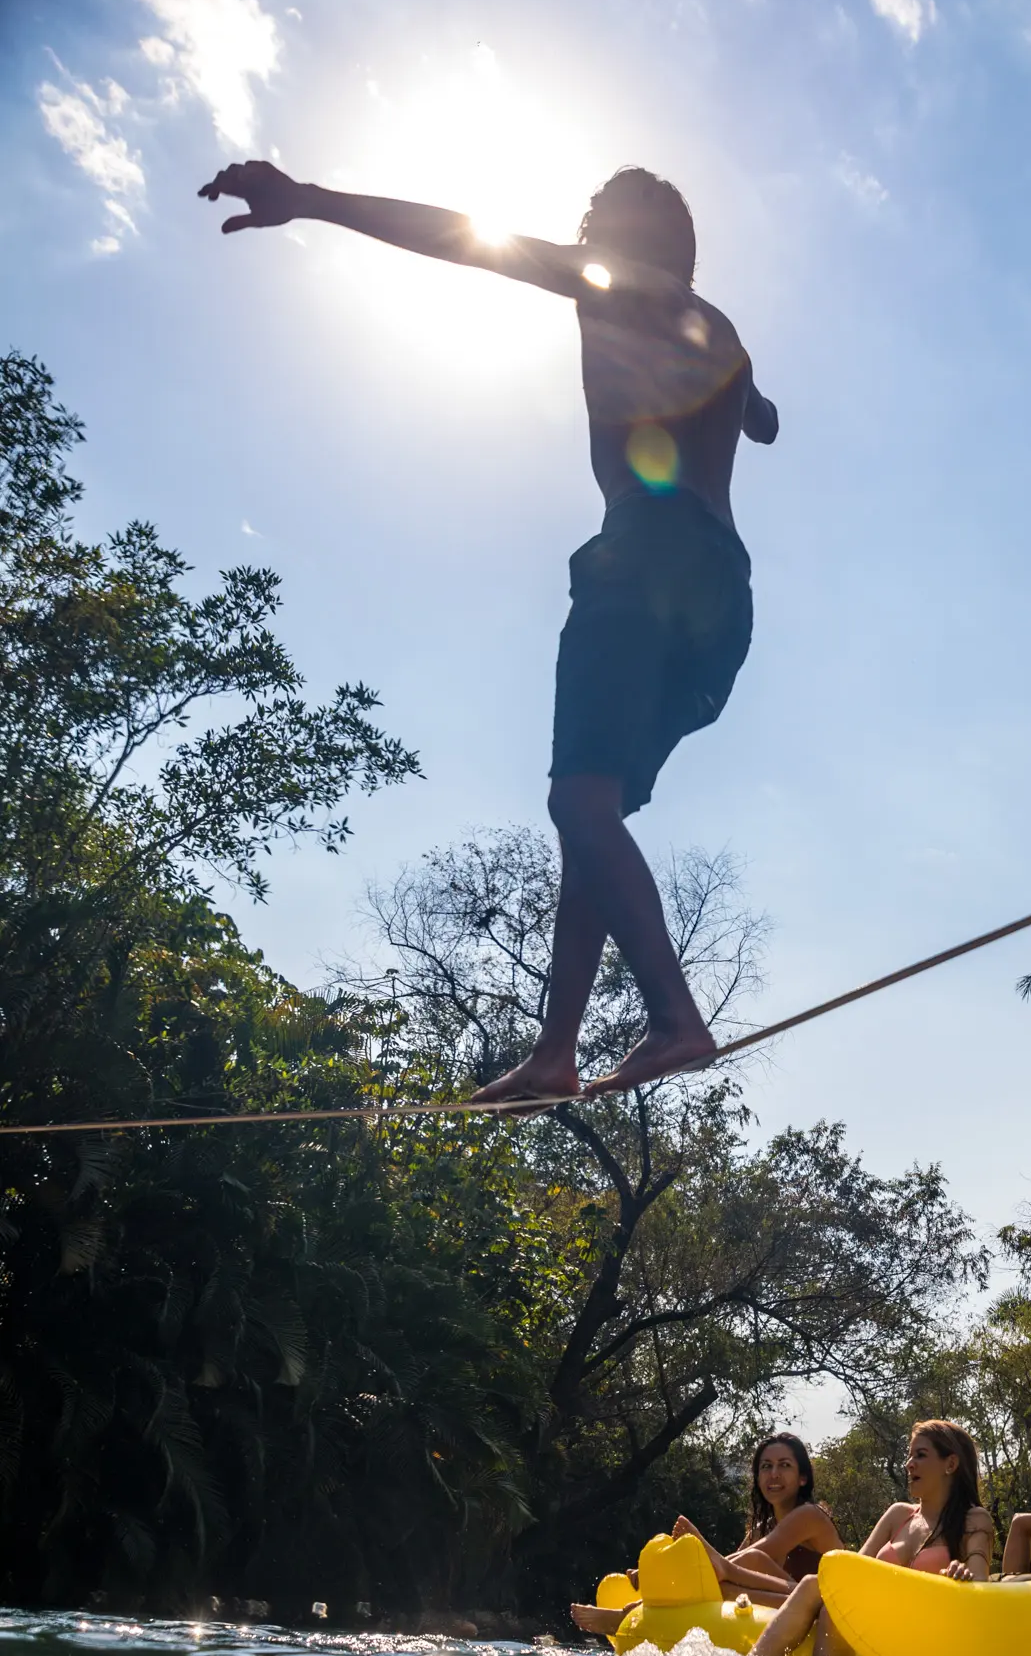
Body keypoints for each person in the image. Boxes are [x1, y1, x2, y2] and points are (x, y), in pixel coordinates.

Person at [200, 159, 777, 1103]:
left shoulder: (612, 282)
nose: (586, 226)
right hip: (720, 597)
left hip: (644, 563)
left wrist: (310, 201)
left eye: (600, 216)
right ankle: (557, 1050)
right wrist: (752, 409)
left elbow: (467, 239)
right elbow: (762, 417)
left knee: (580, 805)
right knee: (592, 811)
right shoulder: (722, 331)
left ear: (630, 237)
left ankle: (675, 1019)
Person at [751, 1420, 995, 1656]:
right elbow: (850, 1571)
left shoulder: (974, 1519)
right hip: (880, 1620)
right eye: (910, 1455)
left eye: (920, 1455)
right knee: (818, 1590)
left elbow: (980, 1581)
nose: (909, 1464)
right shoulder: (898, 1515)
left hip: (926, 1626)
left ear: (951, 1464)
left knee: (824, 1597)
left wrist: (962, 1573)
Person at [568, 1429, 839, 1635]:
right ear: (758, 1478)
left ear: (803, 1478)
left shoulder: (808, 1515)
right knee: (728, 1580)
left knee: (749, 1562)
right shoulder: (763, 1528)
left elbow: (737, 1563)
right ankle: (638, 1611)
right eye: (766, 1467)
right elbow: (728, 1567)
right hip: (788, 1602)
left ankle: (629, 1613)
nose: (774, 1474)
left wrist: (663, 1574)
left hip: (828, 1611)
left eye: (785, 1465)